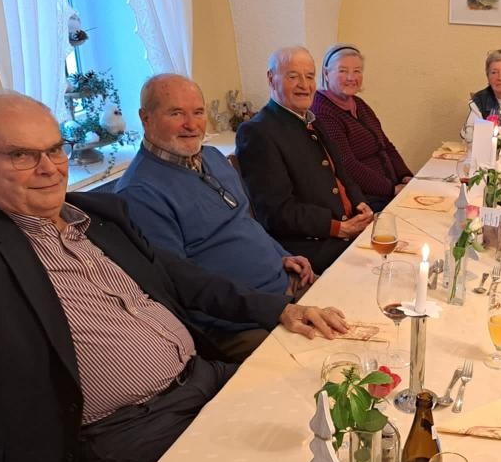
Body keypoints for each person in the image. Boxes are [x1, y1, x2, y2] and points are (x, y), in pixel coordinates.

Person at [0, 93, 349, 462]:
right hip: (127, 431)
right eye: (21, 155)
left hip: (204, 376)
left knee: (319, 416)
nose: (49, 168)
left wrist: (278, 309)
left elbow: (182, 276)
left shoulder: (100, 215)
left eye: (55, 149)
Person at [115, 73, 317, 362]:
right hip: (243, 324)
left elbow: (245, 221)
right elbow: (183, 286)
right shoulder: (139, 193)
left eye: (198, 112)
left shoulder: (211, 157)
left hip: (288, 285)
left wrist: (282, 255)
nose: (191, 124)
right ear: (145, 118)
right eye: (176, 113)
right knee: (323, 365)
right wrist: (274, 307)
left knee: (364, 316)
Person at [236, 46, 373, 274]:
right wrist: (338, 228)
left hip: (347, 230)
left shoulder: (312, 121)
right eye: (293, 77)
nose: (304, 85)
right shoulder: (257, 132)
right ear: (271, 78)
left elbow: (342, 174)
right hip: (313, 245)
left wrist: (360, 204)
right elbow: (276, 213)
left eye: (309, 76)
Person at [310, 43, 413, 212]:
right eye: (343, 71)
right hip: (365, 199)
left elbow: (386, 145)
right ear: (326, 74)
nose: (351, 77)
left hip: (390, 189)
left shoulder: (358, 104)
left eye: (357, 71)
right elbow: (347, 165)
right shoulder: (322, 111)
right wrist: (392, 189)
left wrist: (405, 176)